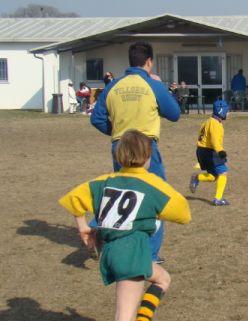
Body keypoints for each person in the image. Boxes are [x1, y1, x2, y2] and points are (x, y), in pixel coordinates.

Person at [58, 129, 191, 321]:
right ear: (148, 156)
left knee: (163, 279)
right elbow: (184, 214)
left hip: (111, 251)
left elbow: (73, 199)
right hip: (132, 251)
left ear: (119, 156)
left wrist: (82, 226)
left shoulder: (104, 181)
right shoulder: (153, 184)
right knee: (124, 315)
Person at [91, 41, 181, 263]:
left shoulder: (114, 86)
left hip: (119, 146)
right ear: (149, 61)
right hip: (145, 146)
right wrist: (163, 88)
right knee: (155, 195)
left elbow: (97, 118)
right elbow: (174, 113)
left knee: (122, 192)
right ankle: (149, 254)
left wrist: (117, 134)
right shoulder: (152, 85)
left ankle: (103, 233)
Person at [189, 99, 231, 206]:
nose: (228, 113)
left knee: (214, 176)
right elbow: (214, 140)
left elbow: (201, 137)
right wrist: (220, 152)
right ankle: (218, 199)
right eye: (226, 111)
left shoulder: (207, 121)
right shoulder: (215, 124)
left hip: (201, 151)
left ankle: (197, 178)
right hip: (210, 151)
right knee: (223, 172)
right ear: (221, 111)